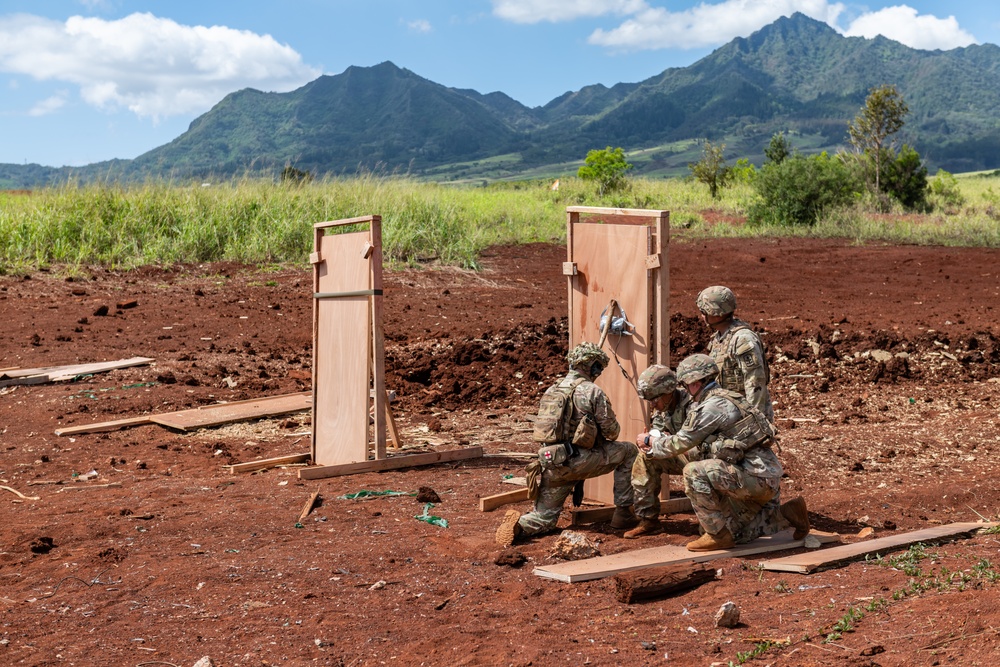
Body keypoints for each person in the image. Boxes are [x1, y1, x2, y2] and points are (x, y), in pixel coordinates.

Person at [635, 354, 809, 551]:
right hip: (757, 475)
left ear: (695, 383)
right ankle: (786, 515)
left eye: (685, 383)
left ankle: (717, 536)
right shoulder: (723, 397)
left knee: (694, 472)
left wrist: (650, 441)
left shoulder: (710, 407)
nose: (684, 388)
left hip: (756, 479)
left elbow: (681, 441)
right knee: (736, 533)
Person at [496, 342, 638, 547]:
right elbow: (612, 432)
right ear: (593, 366)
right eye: (598, 367)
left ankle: (521, 526)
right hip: (583, 461)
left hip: (553, 463)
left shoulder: (552, 390)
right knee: (629, 451)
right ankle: (624, 513)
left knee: (545, 517)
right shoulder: (593, 392)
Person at [624, 365, 694, 539]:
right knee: (645, 459)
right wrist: (648, 443)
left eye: (655, 399)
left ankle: (713, 523)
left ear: (669, 391)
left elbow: (692, 443)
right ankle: (648, 520)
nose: (653, 404)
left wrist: (657, 441)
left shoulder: (693, 405)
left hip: (700, 458)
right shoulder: (662, 408)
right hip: (678, 454)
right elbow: (659, 433)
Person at [696, 285, 773, 421]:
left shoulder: (742, 338)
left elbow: (755, 381)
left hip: (743, 414)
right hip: (727, 412)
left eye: (704, 311)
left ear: (715, 312)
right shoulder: (719, 338)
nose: (702, 315)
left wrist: (754, 418)